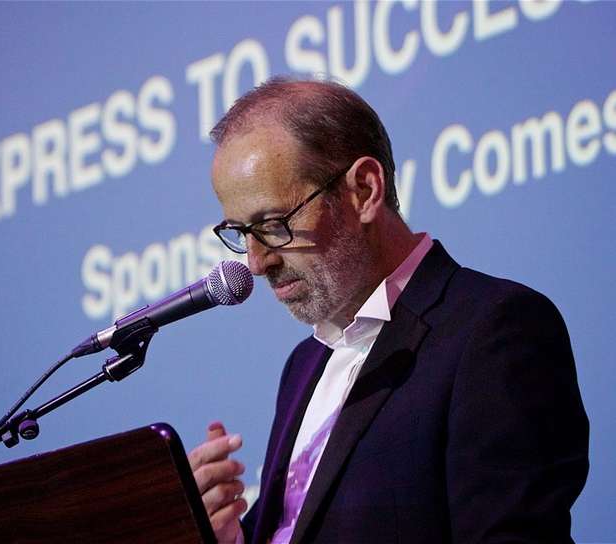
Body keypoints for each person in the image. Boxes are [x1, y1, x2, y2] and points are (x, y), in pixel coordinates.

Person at [188, 77, 589, 544]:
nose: (257, 262)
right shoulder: (305, 364)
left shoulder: (494, 331)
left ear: (364, 190)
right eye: (240, 232)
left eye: (274, 224)